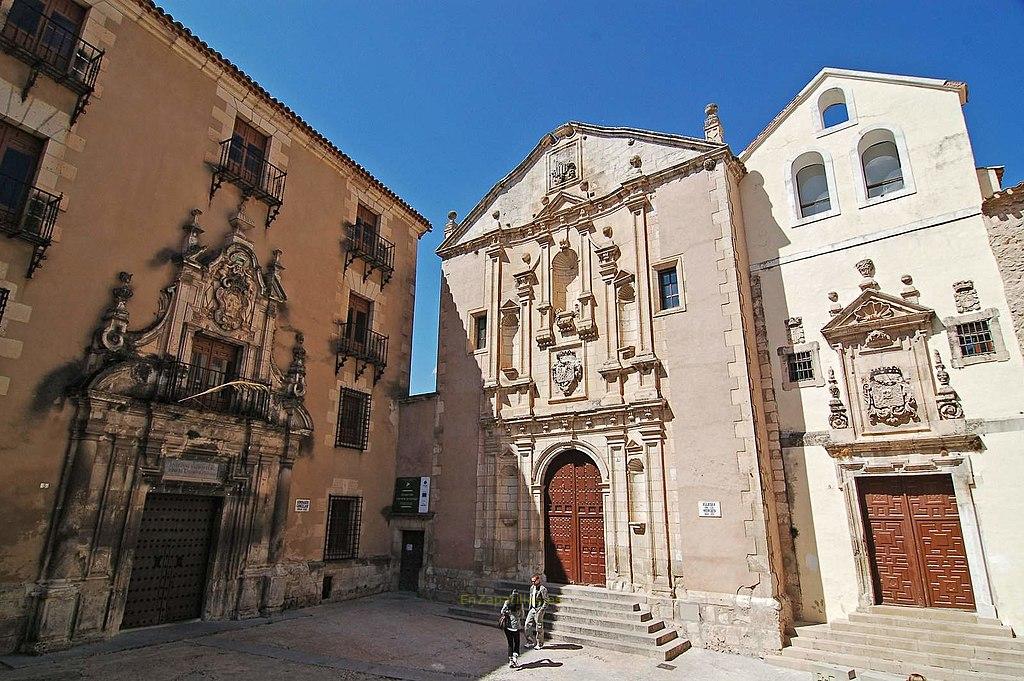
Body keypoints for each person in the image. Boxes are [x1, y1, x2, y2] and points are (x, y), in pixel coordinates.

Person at [500, 589, 525, 668]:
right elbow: (522, 615)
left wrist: (508, 613)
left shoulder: (507, 602)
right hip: (516, 627)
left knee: (510, 643)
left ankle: (511, 661)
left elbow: (502, 611)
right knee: (517, 643)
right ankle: (515, 658)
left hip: (507, 626)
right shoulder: (520, 604)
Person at [524, 573, 548, 649]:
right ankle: (530, 642)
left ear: (538, 580)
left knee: (539, 627)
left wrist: (541, 610)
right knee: (527, 624)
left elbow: (546, 601)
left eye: (534, 581)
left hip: (539, 609)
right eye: (532, 581)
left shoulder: (543, 589)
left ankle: (539, 643)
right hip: (532, 608)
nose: (533, 583)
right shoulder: (532, 588)